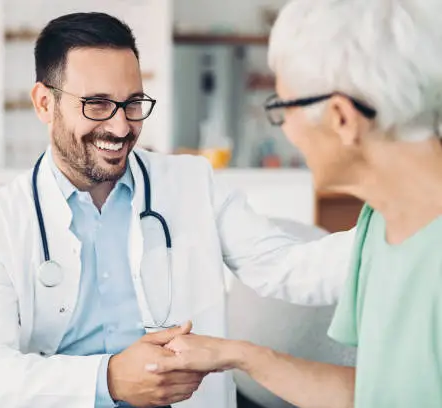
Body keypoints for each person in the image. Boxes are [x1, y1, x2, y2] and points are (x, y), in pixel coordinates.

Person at [0, 11, 354, 408]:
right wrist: (108, 380)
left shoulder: (192, 183)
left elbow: (289, 266)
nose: (121, 127)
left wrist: (400, 225)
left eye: (132, 103)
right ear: (44, 103)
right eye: (96, 104)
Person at [151, 0, 442, 407]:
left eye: (285, 108)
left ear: (341, 118)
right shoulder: (381, 225)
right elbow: (373, 393)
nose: (286, 128)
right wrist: (238, 355)